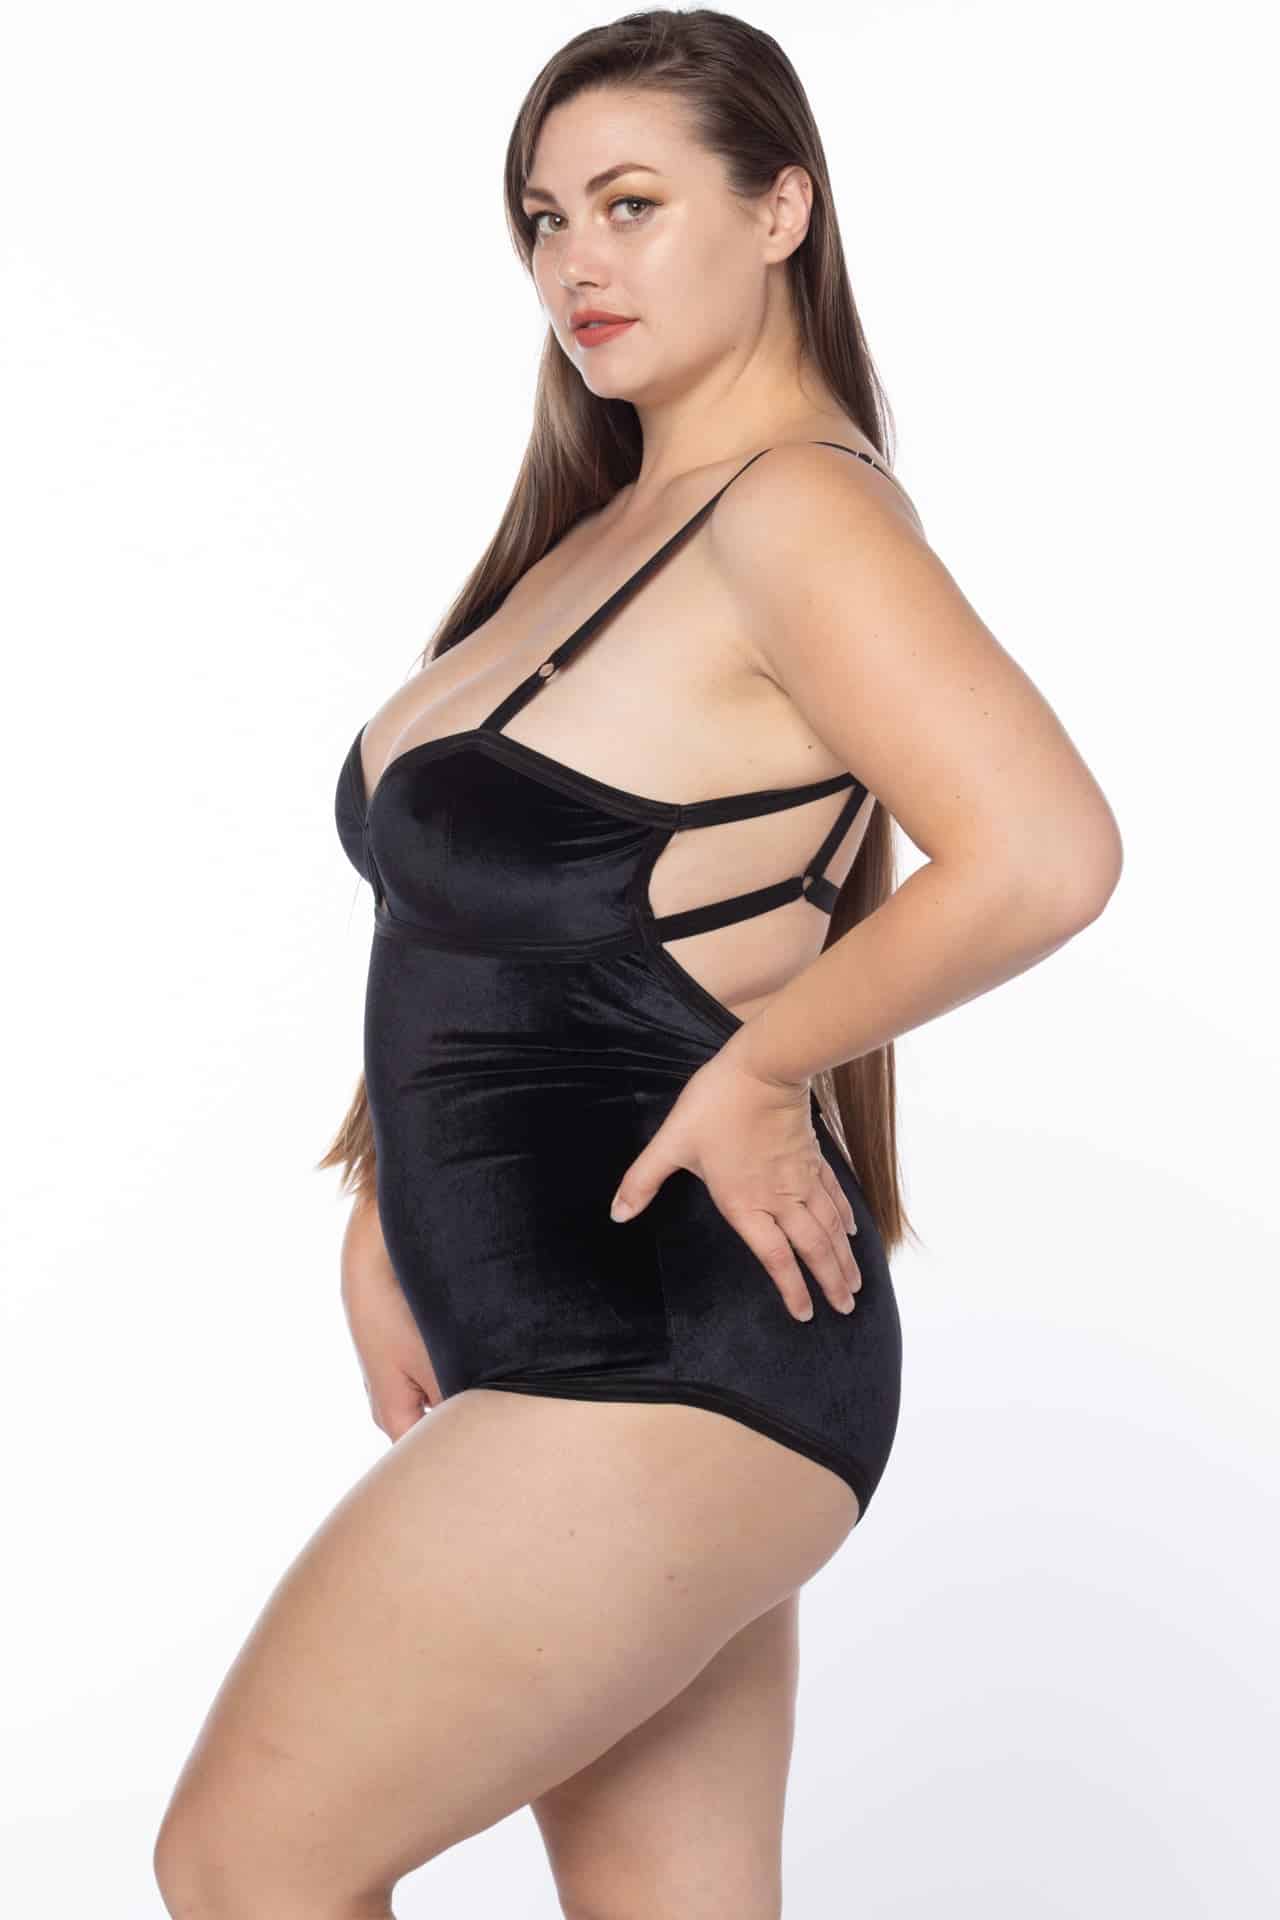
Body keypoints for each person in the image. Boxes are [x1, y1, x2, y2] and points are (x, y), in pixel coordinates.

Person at [154, 12, 1122, 1918]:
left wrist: (764, 1068)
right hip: (578, 1348)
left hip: (665, 1342)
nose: (574, 262)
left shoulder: (797, 512)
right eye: (543, 219)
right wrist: (381, 1197)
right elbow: (496, 924)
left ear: (781, 210)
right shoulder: (598, 534)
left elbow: (1046, 855)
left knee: (247, 1862)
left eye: (629, 204)